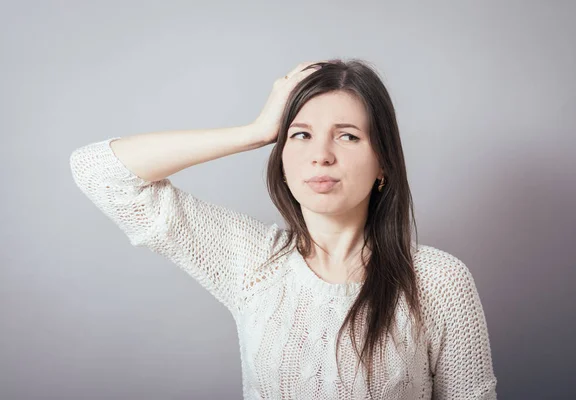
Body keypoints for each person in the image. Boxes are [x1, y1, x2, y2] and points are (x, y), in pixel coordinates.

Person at [69, 59, 497, 399]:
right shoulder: (254, 261)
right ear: (282, 158)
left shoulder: (439, 283)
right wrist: (254, 132)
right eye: (301, 135)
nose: (321, 156)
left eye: (347, 137)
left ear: (383, 162)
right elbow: (99, 171)